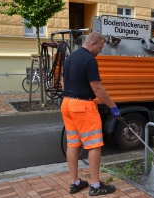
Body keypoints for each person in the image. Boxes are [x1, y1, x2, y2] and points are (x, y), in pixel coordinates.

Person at [61, 31, 120, 196]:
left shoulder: (70, 57)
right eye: (100, 47)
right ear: (93, 43)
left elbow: (63, 81)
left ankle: (75, 182)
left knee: (73, 143)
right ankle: (95, 186)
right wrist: (113, 106)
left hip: (67, 103)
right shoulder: (89, 60)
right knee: (94, 144)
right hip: (83, 106)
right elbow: (97, 88)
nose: (100, 50)